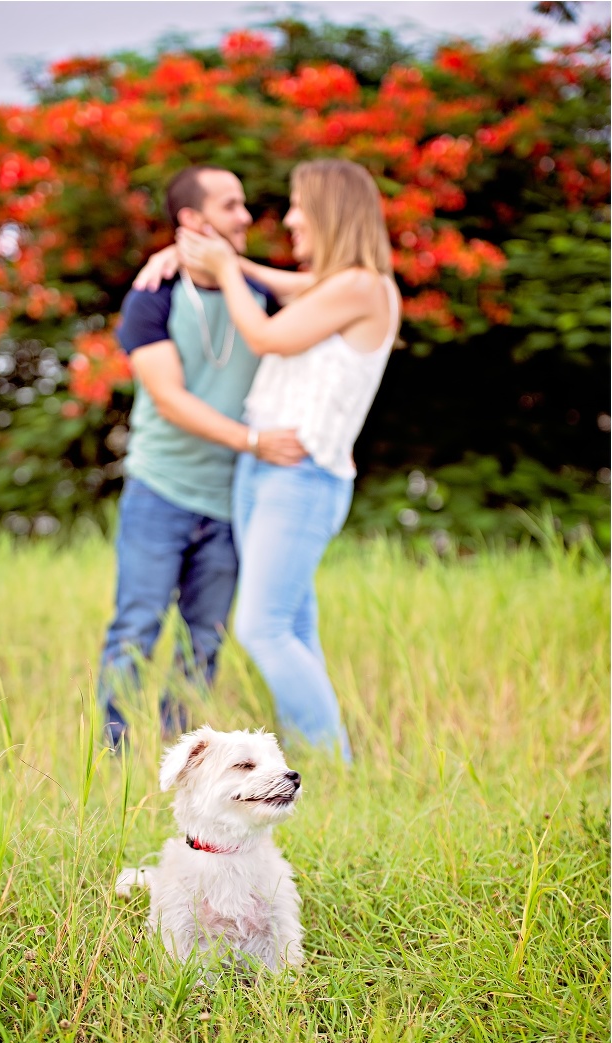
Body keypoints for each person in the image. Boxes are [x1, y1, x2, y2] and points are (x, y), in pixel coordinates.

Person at [166, 159, 402, 759]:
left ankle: (334, 762)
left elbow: (267, 336)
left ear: (330, 210)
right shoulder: (331, 284)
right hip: (267, 468)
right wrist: (202, 257)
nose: (291, 218)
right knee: (291, 626)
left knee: (262, 627)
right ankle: (322, 763)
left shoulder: (362, 286)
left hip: (303, 476)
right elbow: (267, 281)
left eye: (299, 205)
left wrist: (224, 267)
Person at [99, 165, 305, 748]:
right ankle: (117, 759)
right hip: (159, 492)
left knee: (205, 640)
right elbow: (169, 399)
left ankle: (181, 761)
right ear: (193, 219)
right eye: (231, 205)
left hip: (233, 498)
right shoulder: (152, 296)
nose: (246, 216)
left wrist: (228, 265)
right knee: (135, 629)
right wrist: (254, 441)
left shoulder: (259, 294)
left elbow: (338, 290)